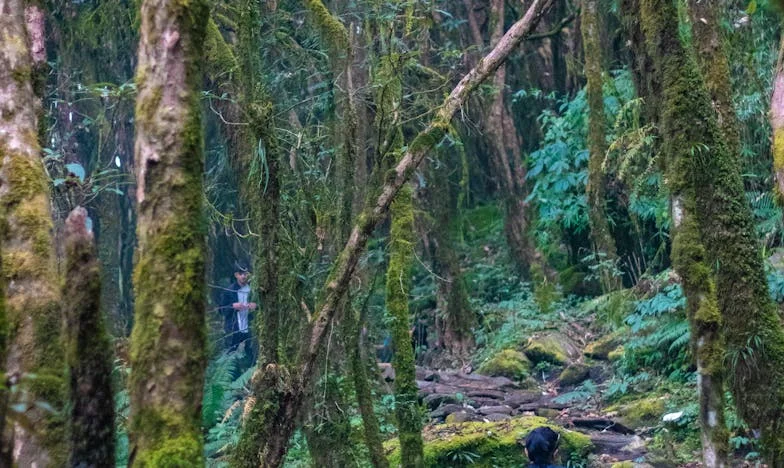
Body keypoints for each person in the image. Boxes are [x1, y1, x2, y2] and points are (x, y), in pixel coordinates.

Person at [219, 262, 257, 351]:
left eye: (246, 274)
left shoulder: (253, 289)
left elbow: (263, 306)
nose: (243, 276)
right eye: (241, 274)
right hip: (233, 329)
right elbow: (221, 310)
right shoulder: (229, 291)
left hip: (250, 328)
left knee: (251, 355)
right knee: (230, 355)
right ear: (236, 275)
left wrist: (256, 306)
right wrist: (232, 306)